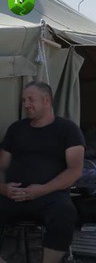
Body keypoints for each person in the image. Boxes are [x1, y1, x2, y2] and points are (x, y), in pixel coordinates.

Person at [0, 81, 85, 263]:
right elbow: (1, 166)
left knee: (65, 213)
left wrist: (42, 189)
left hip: (49, 196)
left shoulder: (67, 130)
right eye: (24, 101)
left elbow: (75, 170)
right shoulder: (16, 129)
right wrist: (3, 188)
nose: (26, 105)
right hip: (12, 195)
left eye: (31, 100)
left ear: (46, 100)